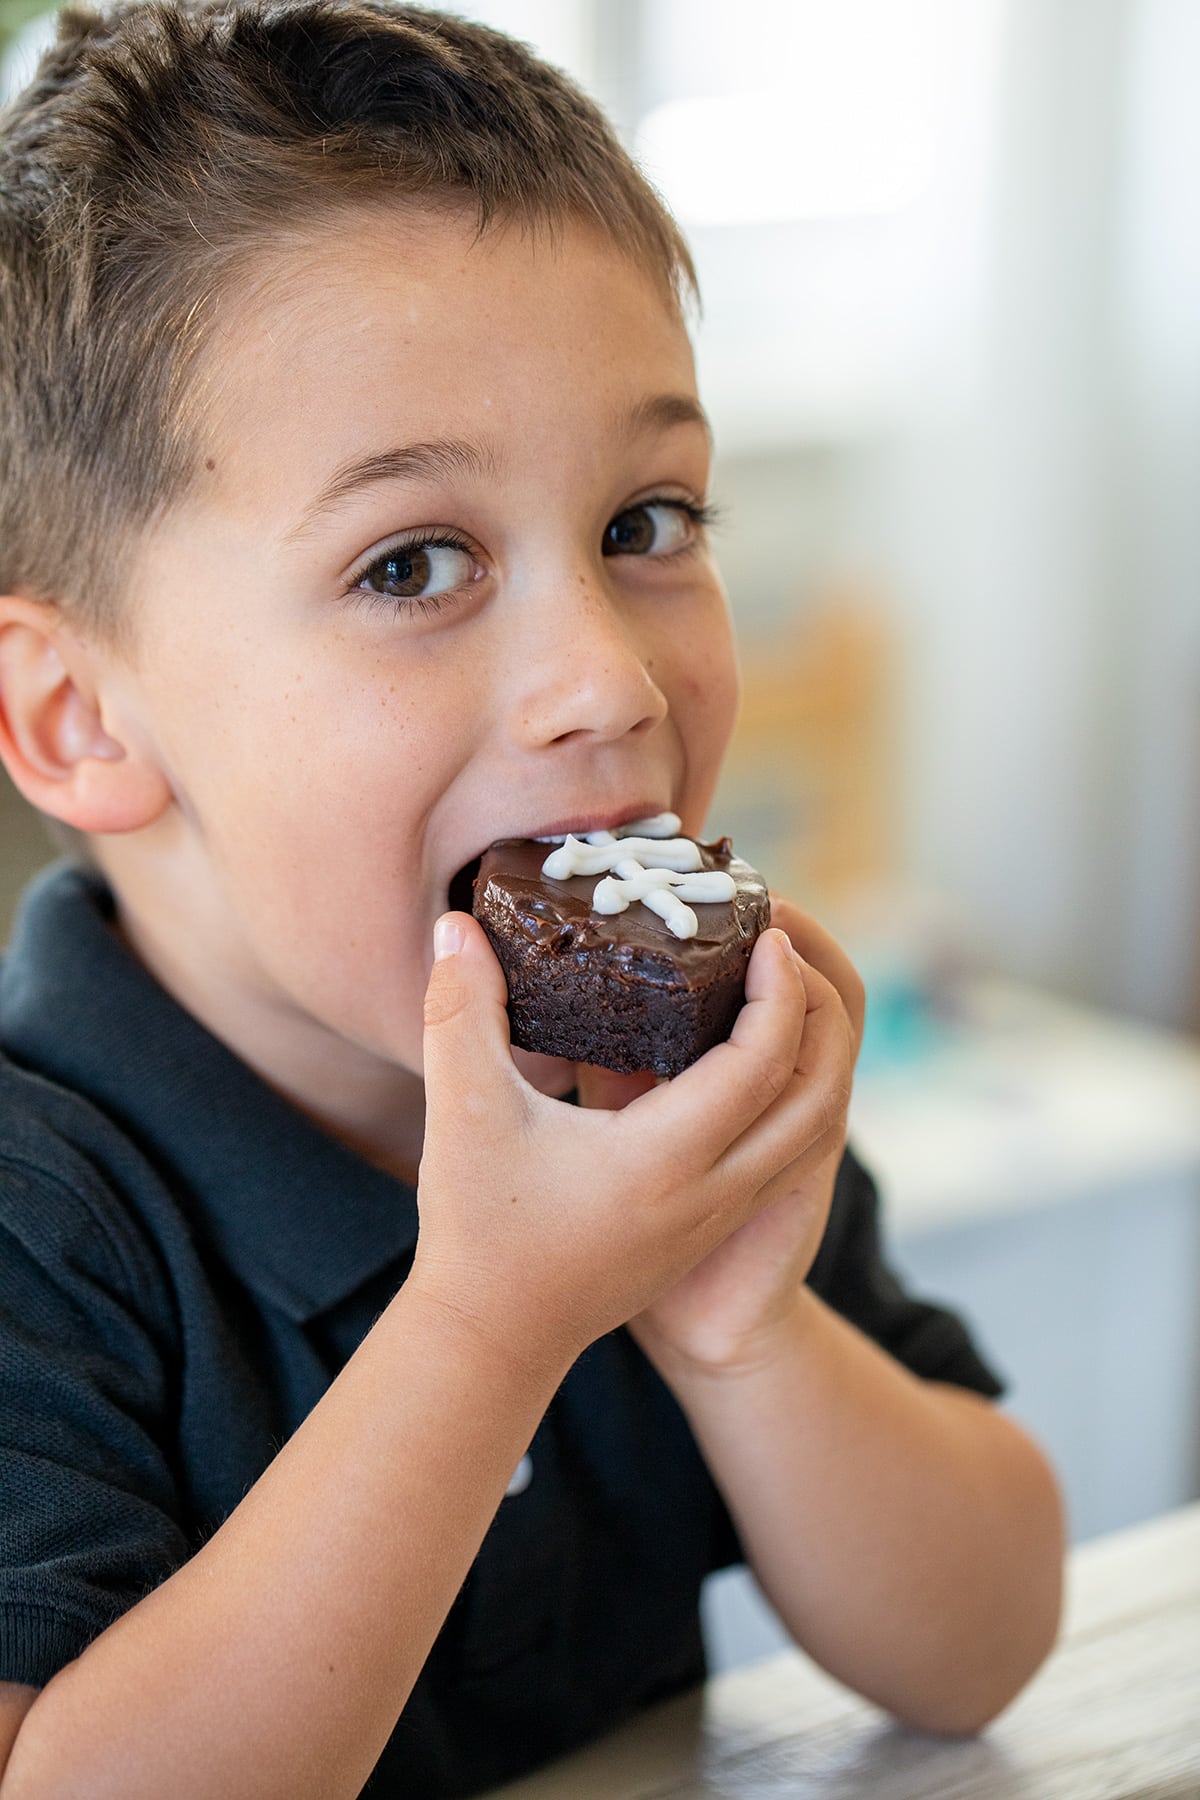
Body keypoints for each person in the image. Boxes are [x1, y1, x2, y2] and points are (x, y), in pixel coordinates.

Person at [0, 4, 1064, 1794]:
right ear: (83, 720)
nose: (605, 679)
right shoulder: (42, 1215)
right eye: (414, 562)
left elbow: (980, 1642)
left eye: (649, 520)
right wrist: (489, 1326)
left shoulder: (664, 1090)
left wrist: (743, 1332)